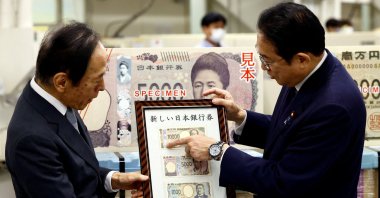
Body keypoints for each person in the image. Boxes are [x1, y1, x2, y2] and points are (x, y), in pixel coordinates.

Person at [167, 2, 366, 198]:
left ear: (301, 60)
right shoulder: (307, 73)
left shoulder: (333, 107)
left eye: (267, 61)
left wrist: (217, 150)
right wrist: (241, 116)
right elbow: (290, 129)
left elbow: (283, 181)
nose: (263, 68)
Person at [5, 22, 148, 198]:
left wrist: (113, 179)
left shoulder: (55, 99)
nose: (102, 87)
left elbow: (78, 170)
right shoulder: (32, 140)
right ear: (62, 82)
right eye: (96, 79)